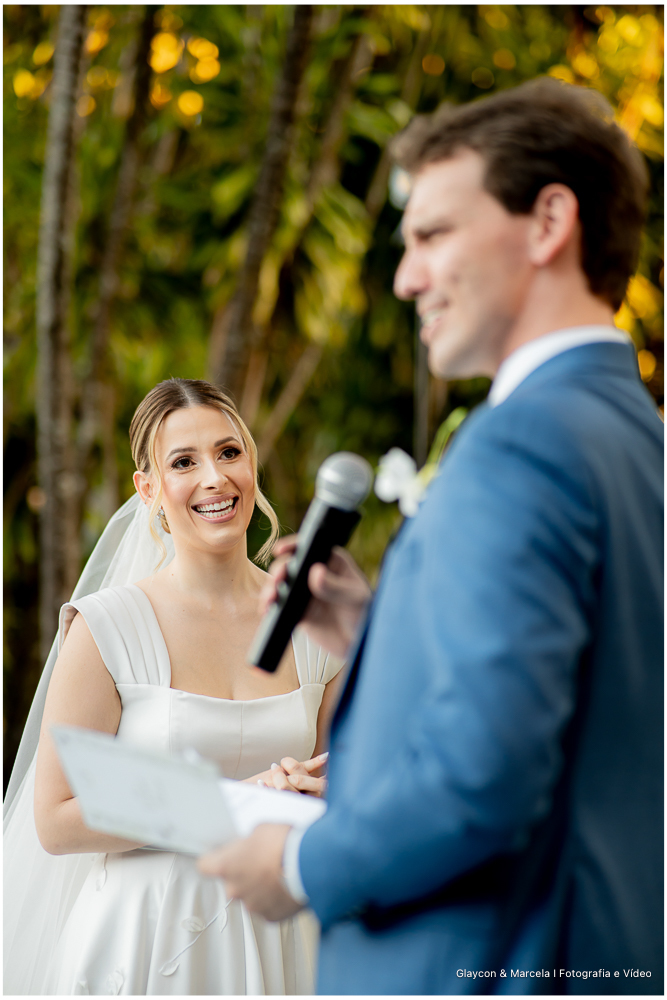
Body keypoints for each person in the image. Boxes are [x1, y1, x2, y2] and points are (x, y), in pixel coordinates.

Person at [197, 78, 663, 995]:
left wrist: (298, 865)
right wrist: (379, 632)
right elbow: (582, 699)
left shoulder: (520, 443)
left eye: (433, 235)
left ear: (547, 222)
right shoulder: (635, 434)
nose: (406, 278)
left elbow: (485, 774)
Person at [4, 377, 344, 996]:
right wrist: (237, 801)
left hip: (280, 933)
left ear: (251, 463)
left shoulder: (315, 623)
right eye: (184, 462)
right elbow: (55, 819)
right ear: (149, 489)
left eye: (229, 452)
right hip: (146, 942)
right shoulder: (107, 627)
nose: (215, 478)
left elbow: (339, 789)